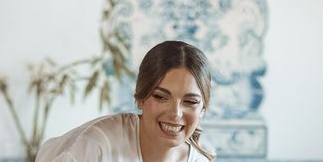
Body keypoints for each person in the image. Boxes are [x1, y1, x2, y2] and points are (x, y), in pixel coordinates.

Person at [36, 40, 215, 161]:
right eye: (161, 97)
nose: (175, 113)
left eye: (190, 101)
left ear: (203, 108)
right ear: (140, 98)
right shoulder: (98, 144)